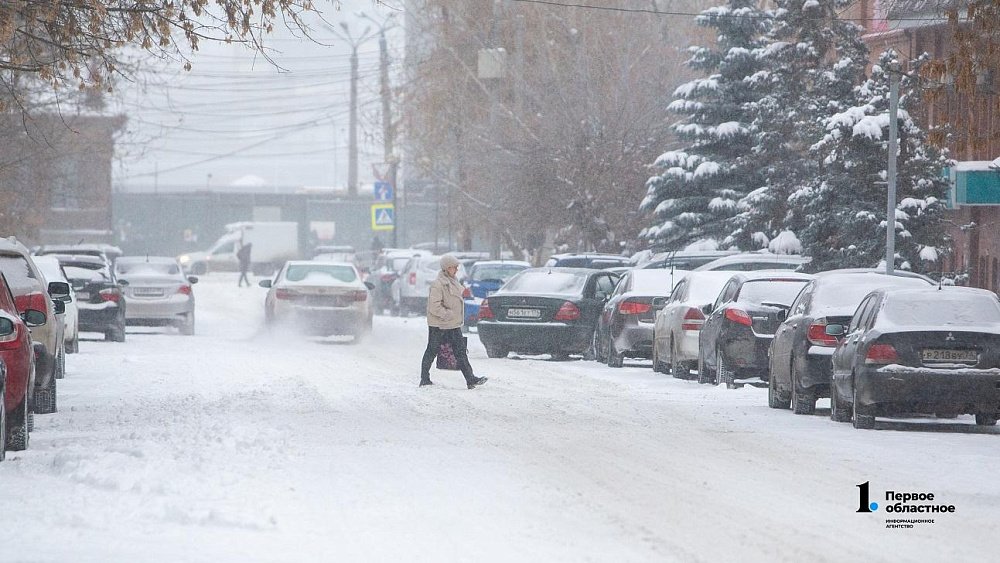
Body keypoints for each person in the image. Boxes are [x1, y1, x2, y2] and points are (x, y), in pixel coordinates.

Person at [420, 254, 487, 389]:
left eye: (456, 267)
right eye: (453, 267)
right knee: (432, 350)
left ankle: (470, 379)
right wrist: (447, 314)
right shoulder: (438, 284)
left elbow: (458, 297)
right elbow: (434, 306)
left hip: (453, 324)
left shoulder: (454, 281)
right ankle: (424, 378)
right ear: (446, 268)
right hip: (439, 324)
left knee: (460, 351)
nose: (456, 270)